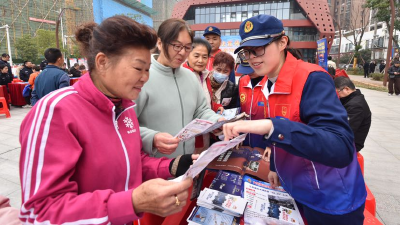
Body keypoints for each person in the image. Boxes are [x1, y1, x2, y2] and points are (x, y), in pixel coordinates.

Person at [19, 15, 195, 225]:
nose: (145, 78)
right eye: (138, 68)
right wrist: (132, 202)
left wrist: (172, 166)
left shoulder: (125, 107)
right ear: (102, 62)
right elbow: (39, 212)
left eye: (148, 69)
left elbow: (132, 160)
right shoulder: (56, 111)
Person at [223, 15, 366, 225]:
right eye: (247, 51)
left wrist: (272, 126)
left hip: (330, 196)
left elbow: (341, 147)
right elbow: (286, 129)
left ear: (282, 42)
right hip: (296, 187)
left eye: (259, 48)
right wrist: (274, 166)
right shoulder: (267, 84)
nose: (252, 57)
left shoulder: (312, 78)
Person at [135, 18, 223, 160]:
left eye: (188, 47)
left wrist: (217, 121)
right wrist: (151, 138)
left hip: (186, 162)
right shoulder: (142, 76)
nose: (182, 52)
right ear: (160, 43)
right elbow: (126, 124)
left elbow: (200, 110)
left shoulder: (189, 76)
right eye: (177, 46)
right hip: (154, 168)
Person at [335, 77, 371, 152]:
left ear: (346, 89)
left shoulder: (356, 106)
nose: (336, 96)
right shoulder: (350, 99)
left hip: (350, 144)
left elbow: (346, 129)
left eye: (337, 93)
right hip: (344, 139)